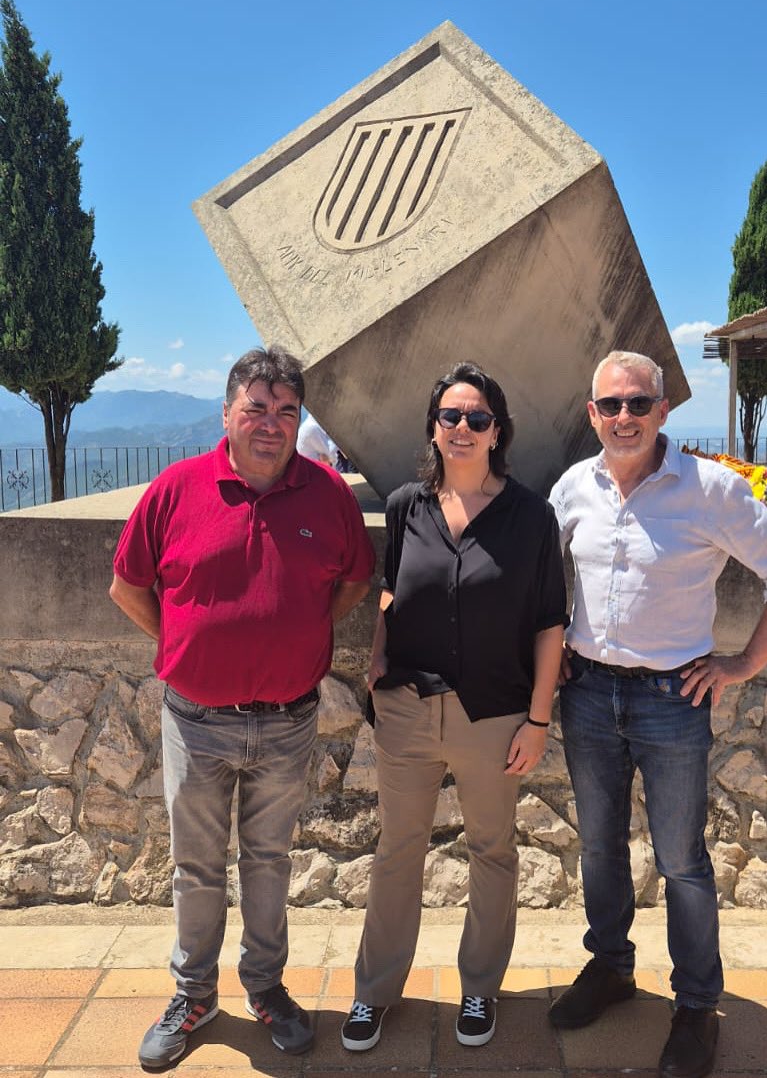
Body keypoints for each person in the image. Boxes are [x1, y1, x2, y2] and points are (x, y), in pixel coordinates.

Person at [548, 351, 767, 1078]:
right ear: (592, 414)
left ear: (665, 410)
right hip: (588, 694)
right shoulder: (574, 487)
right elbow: (544, 579)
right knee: (600, 848)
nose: (625, 417)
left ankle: (697, 1006)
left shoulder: (710, 490)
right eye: (611, 405)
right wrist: (555, 657)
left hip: (673, 699)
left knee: (682, 863)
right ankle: (611, 967)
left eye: (640, 403)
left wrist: (740, 664)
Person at [109, 347, 374, 1068]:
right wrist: (186, 644)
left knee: (268, 860)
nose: (271, 423)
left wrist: (301, 630)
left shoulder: (327, 495)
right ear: (226, 412)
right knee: (195, 867)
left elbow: (352, 581)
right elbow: (127, 586)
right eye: (256, 407)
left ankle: (265, 986)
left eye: (286, 411)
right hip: (195, 722)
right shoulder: (175, 489)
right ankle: (193, 995)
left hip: (288, 721)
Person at [340, 361, 567, 1052]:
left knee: (492, 849)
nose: (462, 428)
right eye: (450, 417)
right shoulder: (409, 504)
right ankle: (374, 993)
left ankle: (479, 988)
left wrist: (537, 717)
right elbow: (391, 590)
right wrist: (378, 658)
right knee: (396, 851)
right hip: (408, 706)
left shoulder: (532, 515)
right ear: (433, 430)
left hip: (494, 713)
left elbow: (550, 623)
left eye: (477, 418)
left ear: (498, 431)